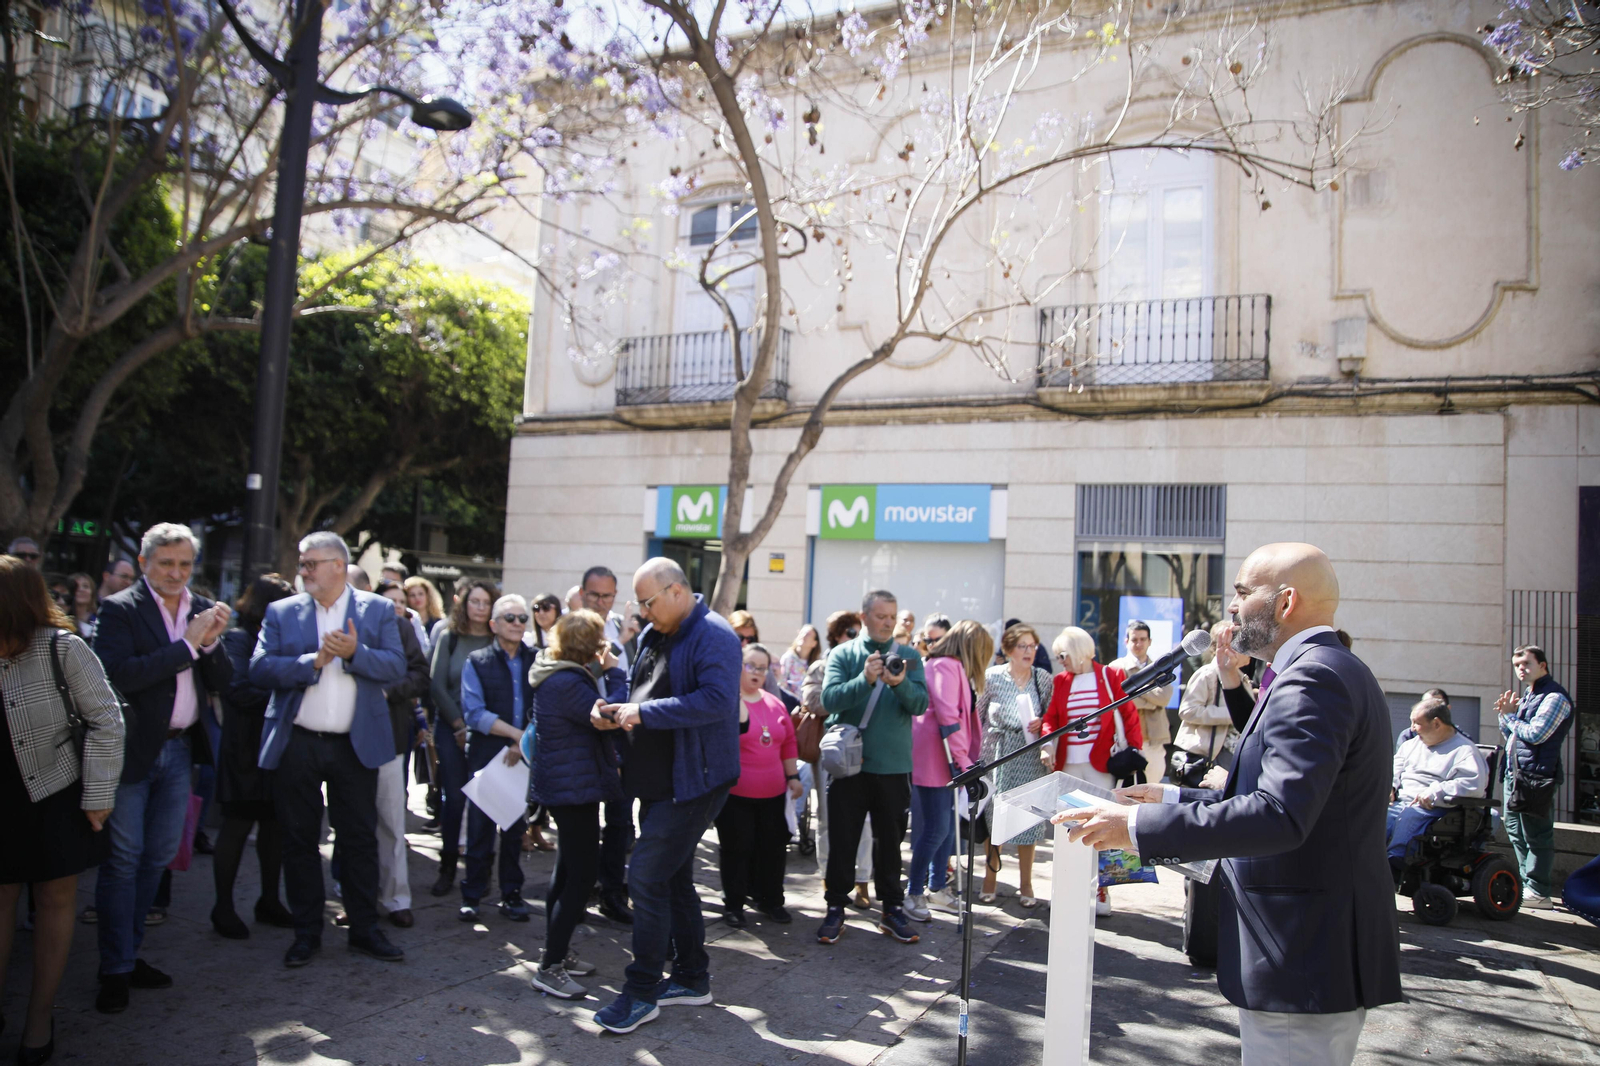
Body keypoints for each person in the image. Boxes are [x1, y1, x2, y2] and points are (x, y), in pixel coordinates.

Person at [1057, 543, 1403, 1066]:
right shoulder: (1322, 668)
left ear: (1286, 602)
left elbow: (1280, 815)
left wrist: (1137, 824)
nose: (1232, 606)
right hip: (1307, 954)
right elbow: (1294, 800)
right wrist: (1173, 795)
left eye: (1243, 592)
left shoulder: (1314, 678)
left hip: (1302, 955)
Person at [587, 558, 741, 1035]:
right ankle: (693, 977)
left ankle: (642, 991)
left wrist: (641, 712)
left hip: (695, 781)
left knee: (647, 878)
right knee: (672, 881)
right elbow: (642, 692)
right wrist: (614, 712)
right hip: (657, 780)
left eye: (648, 602)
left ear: (677, 591)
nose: (643, 612)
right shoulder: (658, 632)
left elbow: (716, 701)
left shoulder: (714, 634)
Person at [90, 522, 232, 1013]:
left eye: (185, 564)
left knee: (158, 857)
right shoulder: (119, 609)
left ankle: (129, 954)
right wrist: (187, 647)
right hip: (132, 753)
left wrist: (210, 644)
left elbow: (226, 680)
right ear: (146, 562)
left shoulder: (199, 608)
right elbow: (120, 677)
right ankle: (114, 968)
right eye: (167, 563)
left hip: (179, 753)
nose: (176, 573)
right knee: (123, 861)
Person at [250, 532, 408, 969]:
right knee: (299, 840)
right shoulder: (282, 612)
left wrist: (357, 653)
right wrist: (311, 663)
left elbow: (397, 665)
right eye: (302, 564)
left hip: (354, 746)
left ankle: (364, 930)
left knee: (358, 839)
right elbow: (258, 668)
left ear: (339, 565)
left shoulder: (375, 609)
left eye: (311, 564)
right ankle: (306, 932)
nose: (303, 572)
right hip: (298, 742)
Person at [0, 557, 123, 1063]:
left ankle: (38, 1019)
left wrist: (98, 795)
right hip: (3, 798)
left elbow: (106, 721)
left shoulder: (62, 647)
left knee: (54, 903)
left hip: (56, 795)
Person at [815, 589, 929, 947]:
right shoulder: (843, 654)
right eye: (881, 617)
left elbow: (921, 704)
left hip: (894, 766)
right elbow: (829, 700)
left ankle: (892, 909)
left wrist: (900, 683)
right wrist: (863, 679)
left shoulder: (908, 656)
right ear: (864, 618)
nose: (888, 623)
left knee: (891, 843)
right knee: (843, 840)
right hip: (849, 767)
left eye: (892, 617)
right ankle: (836, 907)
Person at [527, 609, 628, 1000]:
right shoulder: (569, 681)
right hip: (574, 789)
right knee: (583, 876)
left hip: (569, 786)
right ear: (590, 647)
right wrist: (616, 672)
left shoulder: (556, 673)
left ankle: (556, 953)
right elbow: (608, 716)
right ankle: (550, 967)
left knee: (566, 872)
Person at [212, 574, 297, 940]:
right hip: (244, 750)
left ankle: (269, 900)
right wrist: (286, 687)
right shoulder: (236, 639)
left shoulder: (282, 641)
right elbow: (237, 691)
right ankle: (223, 906)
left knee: (274, 829)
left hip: (275, 748)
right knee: (236, 827)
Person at [1039, 625, 1139, 915]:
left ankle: (1101, 891)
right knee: (1069, 827)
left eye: (1062, 654)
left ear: (1077, 651)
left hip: (1102, 764)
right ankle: (1068, 888)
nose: (1060, 659)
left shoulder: (1110, 675)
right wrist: (1046, 744)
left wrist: (1135, 751)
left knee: (1104, 828)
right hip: (1069, 763)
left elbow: (1128, 714)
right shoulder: (1061, 681)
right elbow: (1052, 718)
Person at [457, 594, 535, 924]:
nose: (518, 624)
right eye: (510, 618)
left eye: (522, 618)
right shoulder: (477, 661)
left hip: (524, 757)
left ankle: (511, 894)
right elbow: (474, 714)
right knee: (480, 828)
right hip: (488, 755)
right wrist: (517, 736)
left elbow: (545, 707)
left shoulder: (538, 659)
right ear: (494, 625)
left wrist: (524, 741)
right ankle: (472, 895)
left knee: (515, 829)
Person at [905, 620, 991, 920]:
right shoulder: (945, 665)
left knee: (944, 829)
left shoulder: (948, 666)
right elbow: (947, 714)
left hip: (946, 761)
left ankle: (936, 886)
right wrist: (963, 761)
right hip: (937, 759)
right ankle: (915, 892)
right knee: (937, 829)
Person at [716, 643, 801, 929]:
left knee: (773, 850)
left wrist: (793, 778)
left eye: (762, 668)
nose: (756, 673)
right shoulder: (727, 702)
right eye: (749, 666)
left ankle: (771, 901)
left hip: (774, 794)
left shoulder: (774, 702)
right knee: (736, 850)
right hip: (735, 795)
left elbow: (788, 742)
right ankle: (734, 905)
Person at [426, 579, 498, 897]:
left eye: (486, 602)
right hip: (450, 726)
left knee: (486, 801)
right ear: (464, 604)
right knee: (454, 799)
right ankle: (447, 867)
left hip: (487, 731)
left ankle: (480, 871)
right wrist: (458, 725)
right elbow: (437, 685)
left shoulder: (500, 639)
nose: (480, 608)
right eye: (475, 602)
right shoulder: (449, 637)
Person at [976, 624, 1054, 908]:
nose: (1028, 651)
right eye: (1022, 646)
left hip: (1029, 755)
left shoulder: (1042, 678)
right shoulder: (991, 677)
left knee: (1028, 819)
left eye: (1032, 646)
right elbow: (978, 717)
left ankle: (1026, 883)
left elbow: (1051, 716)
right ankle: (990, 878)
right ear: (1008, 650)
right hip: (997, 755)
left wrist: (1042, 725)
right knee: (995, 818)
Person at [1495, 644, 1575, 910]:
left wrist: (1509, 717)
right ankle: (1528, 884)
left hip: (1536, 776)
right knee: (1515, 831)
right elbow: (1514, 736)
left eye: (1526, 663)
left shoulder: (1555, 697)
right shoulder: (1530, 696)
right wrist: (1504, 717)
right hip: (1515, 775)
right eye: (1517, 665)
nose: (1521, 669)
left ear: (1543, 665)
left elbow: (1536, 734)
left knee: (1536, 834)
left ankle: (1539, 890)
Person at [372, 580, 431, 927]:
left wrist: (386, 692)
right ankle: (356, 896)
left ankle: (396, 899)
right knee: (353, 827)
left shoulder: (402, 628)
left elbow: (420, 676)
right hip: (343, 742)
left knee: (392, 823)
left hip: (391, 739)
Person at [584, 566, 637, 925]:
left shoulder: (626, 627)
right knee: (584, 820)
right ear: (583, 593)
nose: (601, 602)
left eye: (607, 596)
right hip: (584, 735)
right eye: (594, 595)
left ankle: (612, 890)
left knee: (620, 818)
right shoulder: (572, 630)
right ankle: (583, 885)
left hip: (622, 735)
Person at [1387, 697, 1488, 876]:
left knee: (1410, 816)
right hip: (1402, 802)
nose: (1412, 728)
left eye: (1417, 723)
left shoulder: (1464, 750)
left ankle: (1394, 866)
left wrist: (1436, 791)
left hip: (1436, 807)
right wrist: (1391, 787)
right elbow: (1395, 768)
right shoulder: (1411, 745)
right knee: (1378, 814)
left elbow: (1473, 785)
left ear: (1436, 724)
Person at [1171, 621, 1253, 788]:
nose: (1251, 652)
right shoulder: (1207, 674)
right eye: (1245, 645)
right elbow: (1188, 710)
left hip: (1228, 755)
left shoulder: (1239, 676)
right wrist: (1231, 714)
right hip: (1209, 758)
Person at [1108, 620, 1174, 784]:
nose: (1139, 644)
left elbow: (1164, 698)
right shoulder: (1116, 667)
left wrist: (1136, 688)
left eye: (1143, 639)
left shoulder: (1160, 667)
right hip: (1125, 739)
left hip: (1154, 738)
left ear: (1149, 641)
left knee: (1152, 790)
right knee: (1123, 793)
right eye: (1134, 639)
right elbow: (1119, 701)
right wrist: (1152, 698)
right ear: (1126, 642)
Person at [777, 624, 821, 701]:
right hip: (789, 704)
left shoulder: (816, 664)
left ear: (814, 643)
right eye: (802, 632)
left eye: (808, 634)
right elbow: (781, 683)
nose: (803, 635)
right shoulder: (788, 658)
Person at [403, 576, 447, 648]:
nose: (417, 598)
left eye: (421, 594)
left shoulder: (439, 623)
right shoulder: (405, 622)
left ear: (428, 596)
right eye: (412, 595)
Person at [66, 573, 99, 644]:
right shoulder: (64, 620)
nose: (81, 589)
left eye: (85, 586)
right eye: (76, 587)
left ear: (92, 593)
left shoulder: (99, 620)